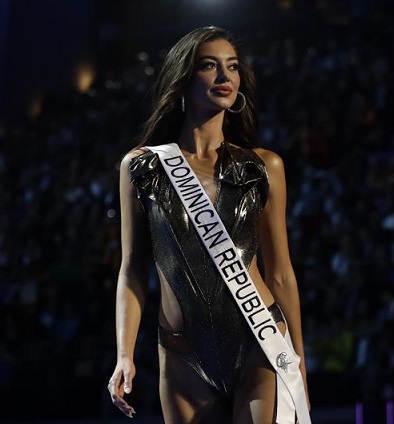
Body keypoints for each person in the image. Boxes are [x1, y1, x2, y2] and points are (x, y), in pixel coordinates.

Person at [107, 26, 310, 423]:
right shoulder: (142, 167)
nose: (225, 77)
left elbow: (281, 272)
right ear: (183, 78)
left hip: (259, 342)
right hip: (182, 354)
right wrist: (124, 354)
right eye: (210, 66)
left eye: (232, 67)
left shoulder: (263, 167)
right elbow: (131, 270)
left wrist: (298, 358)